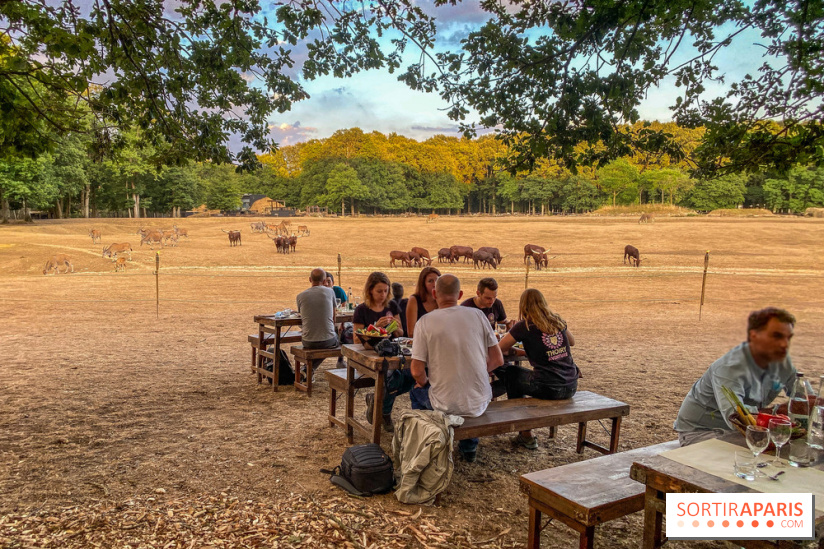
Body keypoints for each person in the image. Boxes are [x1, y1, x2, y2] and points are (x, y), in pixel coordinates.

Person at [409, 274, 504, 462]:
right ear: (460, 294)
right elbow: (498, 359)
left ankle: (431, 444)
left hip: (445, 404)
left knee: (416, 393)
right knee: (466, 393)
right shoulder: (478, 315)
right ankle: (469, 449)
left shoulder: (425, 322)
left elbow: (416, 371)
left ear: (435, 293)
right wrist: (476, 372)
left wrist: (425, 383)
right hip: (480, 402)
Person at [673, 307, 797, 447]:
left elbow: (803, 396)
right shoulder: (730, 367)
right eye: (777, 336)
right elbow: (735, 418)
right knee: (772, 452)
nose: (784, 344)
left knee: (794, 448)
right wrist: (777, 412)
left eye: (788, 338)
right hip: (702, 433)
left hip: (745, 431)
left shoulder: (783, 364)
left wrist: (810, 403)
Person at [497, 289, 580, 449]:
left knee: (511, 373)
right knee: (516, 375)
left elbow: (500, 348)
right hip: (571, 385)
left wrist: (517, 349)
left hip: (549, 387)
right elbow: (572, 341)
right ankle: (524, 431)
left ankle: (525, 432)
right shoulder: (557, 321)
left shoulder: (524, 326)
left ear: (524, 306)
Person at [354, 272, 406, 432]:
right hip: (368, 356)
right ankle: (385, 412)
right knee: (392, 376)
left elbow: (400, 334)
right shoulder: (361, 310)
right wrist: (377, 327)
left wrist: (395, 327)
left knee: (406, 376)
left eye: (385, 291)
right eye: (379, 291)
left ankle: (378, 404)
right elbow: (357, 340)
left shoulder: (391, 307)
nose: (383, 295)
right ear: (370, 290)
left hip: (389, 353)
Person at [295, 268, 338, 350]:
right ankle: (341, 360)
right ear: (325, 281)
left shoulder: (300, 296)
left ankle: (309, 363)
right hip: (328, 340)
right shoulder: (330, 292)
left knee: (320, 345)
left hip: (307, 341)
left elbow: (301, 317)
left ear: (310, 279)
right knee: (341, 338)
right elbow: (333, 319)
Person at [405, 266, 441, 337]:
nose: (434, 284)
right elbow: (411, 333)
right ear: (423, 284)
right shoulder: (414, 300)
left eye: (437, 281)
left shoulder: (443, 300)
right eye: (430, 281)